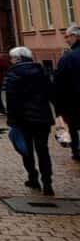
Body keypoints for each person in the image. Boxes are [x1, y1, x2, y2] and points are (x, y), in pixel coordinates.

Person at [5, 46, 55, 195]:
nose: (11, 61)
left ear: (17, 59)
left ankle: (33, 177)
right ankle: (47, 182)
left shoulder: (13, 74)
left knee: (26, 150)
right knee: (43, 150)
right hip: (42, 118)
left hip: (23, 119)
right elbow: (51, 93)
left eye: (12, 58)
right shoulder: (41, 71)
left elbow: (11, 99)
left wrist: (12, 120)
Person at [53, 23, 80, 161]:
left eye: (67, 37)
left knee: (74, 127)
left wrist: (58, 103)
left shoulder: (68, 57)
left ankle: (77, 151)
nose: (66, 40)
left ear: (75, 36)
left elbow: (59, 81)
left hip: (73, 99)